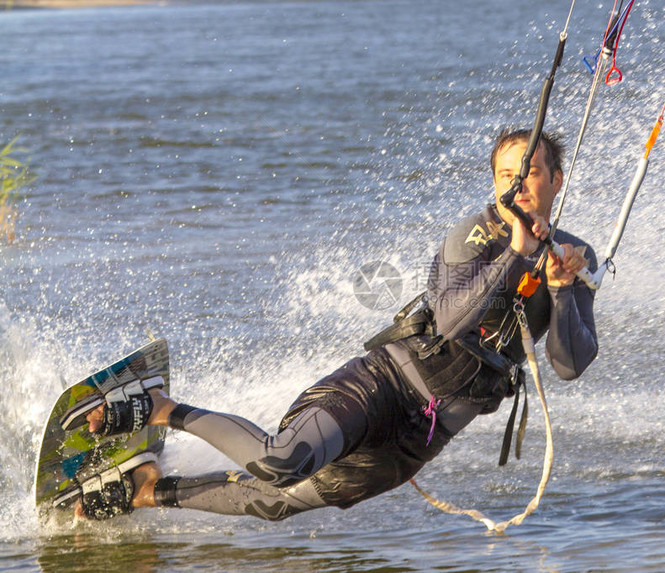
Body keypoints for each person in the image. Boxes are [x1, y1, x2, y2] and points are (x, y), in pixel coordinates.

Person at [78, 128, 599, 521]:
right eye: (507, 174)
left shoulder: (574, 257)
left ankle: (146, 490)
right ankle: (164, 409)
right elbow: (448, 320)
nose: (518, 183)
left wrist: (560, 288)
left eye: (530, 172)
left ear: (555, 179)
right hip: (383, 385)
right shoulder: (477, 234)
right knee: (281, 463)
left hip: (420, 437)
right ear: (494, 182)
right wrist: (516, 253)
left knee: (274, 502)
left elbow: (570, 365)